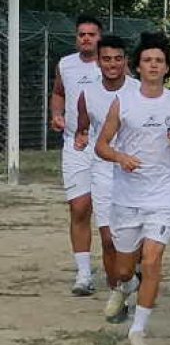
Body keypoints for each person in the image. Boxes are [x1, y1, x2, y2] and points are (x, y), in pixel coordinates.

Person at [96, 31, 170, 345]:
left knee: (153, 259)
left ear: (167, 67)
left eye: (159, 60)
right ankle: (126, 286)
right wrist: (120, 157)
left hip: (164, 196)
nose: (153, 65)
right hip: (128, 196)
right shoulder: (124, 102)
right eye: (148, 60)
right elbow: (102, 145)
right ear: (138, 66)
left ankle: (138, 330)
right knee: (123, 267)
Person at [74, 34, 140, 320]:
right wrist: (80, 136)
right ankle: (119, 296)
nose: (112, 65)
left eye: (117, 59)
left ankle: (132, 275)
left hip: (136, 174)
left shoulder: (140, 90)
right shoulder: (87, 95)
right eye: (106, 59)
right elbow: (83, 126)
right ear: (98, 62)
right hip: (103, 171)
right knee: (109, 239)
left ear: (125, 61)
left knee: (135, 240)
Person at [51, 15, 103, 295]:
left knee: (112, 212)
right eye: (82, 34)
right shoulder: (66, 64)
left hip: (106, 146)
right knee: (79, 208)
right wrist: (57, 114)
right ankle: (84, 273)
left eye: (91, 34)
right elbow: (59, 93)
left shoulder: (111, 64)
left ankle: (126, 267)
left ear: (100, 38)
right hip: (75, 145)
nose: (86, 38)